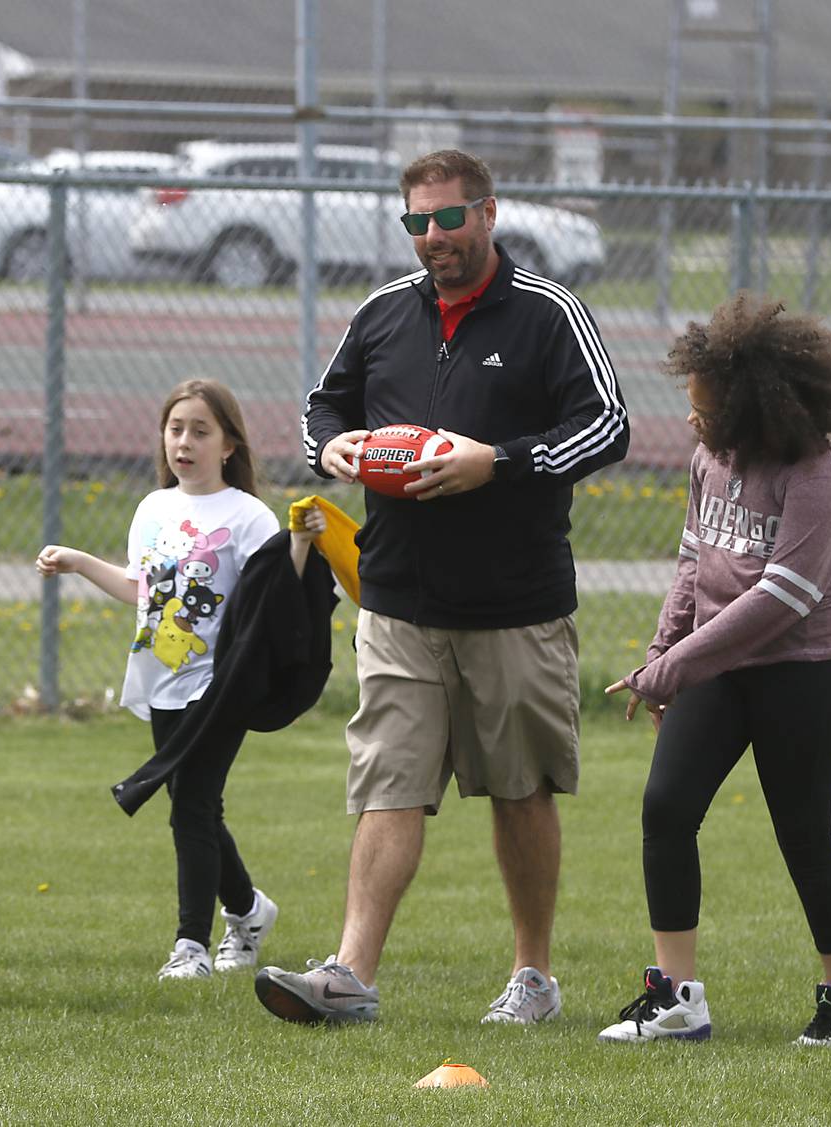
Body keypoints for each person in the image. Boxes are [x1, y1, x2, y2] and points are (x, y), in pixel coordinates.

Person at [257, 149, 629, 1025]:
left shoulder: (548, 313)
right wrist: (333, 449)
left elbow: (607, 425)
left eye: (449, 219)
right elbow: (324, 403)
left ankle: (533, 976)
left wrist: (493, 462)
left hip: (515, 604)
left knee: (520, 789)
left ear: (488, 214)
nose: (433, 237)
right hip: (395, 600)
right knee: (388, 783)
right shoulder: (384, 312)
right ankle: (350, 974)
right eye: (416, 223)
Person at [598, 293, 831, 1046]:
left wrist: (677, 667)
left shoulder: (817, 476)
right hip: (718, 668)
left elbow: (778, 600)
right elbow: (694, 559)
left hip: (802, 669)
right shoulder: (710, 457)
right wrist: (663, 649)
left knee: (803, 833)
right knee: (666, 806)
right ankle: (677, 996)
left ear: (757, 406)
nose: (693, 420)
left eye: (706, 408)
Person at [36, 378, 327, 981]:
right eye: (175, 429)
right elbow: (141, 591)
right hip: (162, 677)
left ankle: (190, 944)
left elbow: (277, 598)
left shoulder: (247, 516)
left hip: (220, 684)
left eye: (200, 431)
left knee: (191, 806)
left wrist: (299, 545)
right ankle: (248, 910)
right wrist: (77, 562)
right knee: (192, 805)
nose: (184, 442)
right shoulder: (153, 508)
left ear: (228, 445)